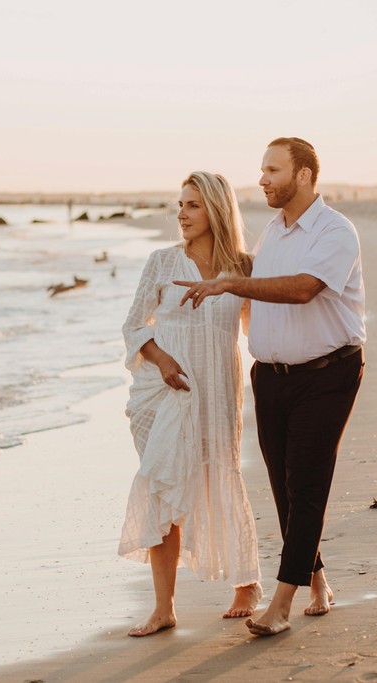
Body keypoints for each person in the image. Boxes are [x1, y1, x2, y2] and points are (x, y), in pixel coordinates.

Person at [174, 137, 366, 636]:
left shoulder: (335, 231)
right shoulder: (273, 232)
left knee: (306, 485)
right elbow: (247, 271)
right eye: (261, 170)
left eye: (273, 170)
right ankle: (318, 580)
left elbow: (303, 289)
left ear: (303, 175)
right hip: (272, 377)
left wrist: (229, 284)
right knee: (284, 485)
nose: (262, 179)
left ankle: (281, 605)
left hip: (327, 374)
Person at [118, 171, 262, 637]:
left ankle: (248, 583)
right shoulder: (161, 262)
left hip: (217, 386)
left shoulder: (243, 268)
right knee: (162, 485)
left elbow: (259, 328)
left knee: (221, 470)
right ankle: (163, 608)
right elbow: (134, 326)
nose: (181, 213)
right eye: (180, 204)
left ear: (217, 209)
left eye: (193, 205)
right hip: (164, 391)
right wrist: (160, 361)